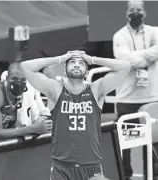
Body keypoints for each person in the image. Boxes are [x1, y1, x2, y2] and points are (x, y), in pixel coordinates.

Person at [20, 50, 130, 180]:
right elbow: (25, 67)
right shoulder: (55, 90)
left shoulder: (96, 90)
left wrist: (92, 59)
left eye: (81, 63)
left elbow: (125, 67)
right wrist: (60, 58)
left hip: (91, 166)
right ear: (65, 71)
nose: (77, 65)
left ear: (87, 72)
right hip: (62, 168)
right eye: (72, 62)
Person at [113, 1, 158, 179]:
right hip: (128, 100)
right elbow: (125, 61)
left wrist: (136, 58)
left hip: (152, 98)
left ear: (144, 13)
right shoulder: (119, 36)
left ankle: (152, 176)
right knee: (128, 145)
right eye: (132, 10)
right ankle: (125, 176)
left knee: (152, 143)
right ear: (127, 14)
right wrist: (148, 58)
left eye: (138, 10)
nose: (135, 13)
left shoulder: (155, 32)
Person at [0, 62, 52, 141]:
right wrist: (31, 129)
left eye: (23, 80)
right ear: (7, 78)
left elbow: (11, 123)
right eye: (15, 79)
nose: (19, 83)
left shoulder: (22, 93)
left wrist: (38, 124)